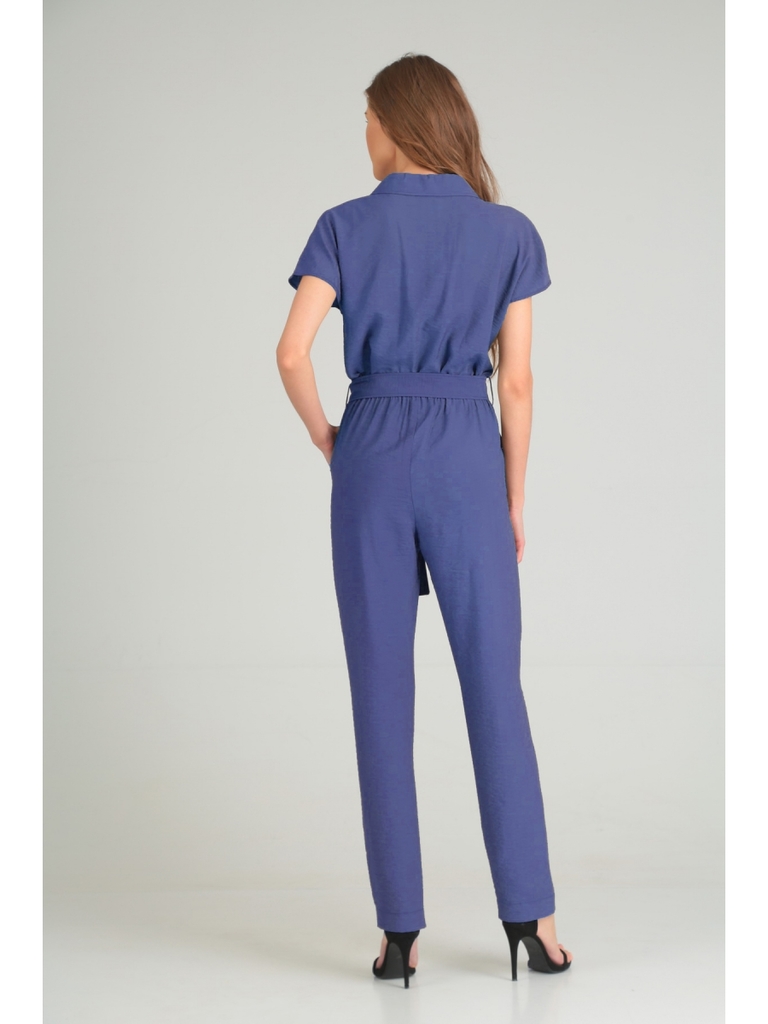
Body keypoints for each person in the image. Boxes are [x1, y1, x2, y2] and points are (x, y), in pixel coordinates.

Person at [276, 53, 573, 987]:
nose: (362, 135)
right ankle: (532, 920)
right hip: (465, 454)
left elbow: (292, 354)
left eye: (367, 119)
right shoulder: (508, 232)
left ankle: (399, 934)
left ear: (398, 122)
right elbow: (516, 385)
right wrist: (511, 495)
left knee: (380, 693)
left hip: (370, 443)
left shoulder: (343, 225)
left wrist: (329, 437)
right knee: (495, 687)